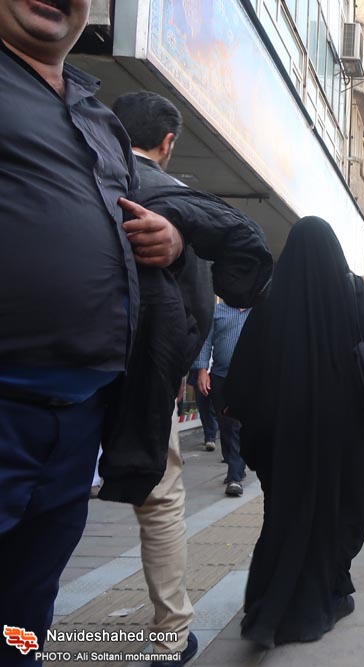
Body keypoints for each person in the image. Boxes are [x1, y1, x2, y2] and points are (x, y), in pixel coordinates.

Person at [0, 3, 183, 663]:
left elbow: (120, 218)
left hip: (80, 414)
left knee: (26, 603)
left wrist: (168, 238)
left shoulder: (97, 116)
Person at [224, 216, 364, 649]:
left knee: (285, 515)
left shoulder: (272, 300)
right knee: (337, 508)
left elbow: (243, 378)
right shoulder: (352, 295)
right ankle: (328, 593)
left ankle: (268, 606)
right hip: (341, 434)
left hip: (284, 437)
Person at [112, 90, 207, 665]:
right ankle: (171, 633)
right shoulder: (176, 201)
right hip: (147, 374)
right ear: (167, 143)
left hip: (61, 369)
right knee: (161, 498)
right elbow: (196, 305)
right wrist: (178, 370)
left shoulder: (83, 179)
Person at [194, 301, 251, 497]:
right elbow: (205, 342)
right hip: (220, 376)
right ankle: (235, 465)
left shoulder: (259, 311)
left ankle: (234, 477)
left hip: (249, 378)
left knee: (237, 425)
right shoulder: (217, 311)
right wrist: (202, 370)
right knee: (225, 424)